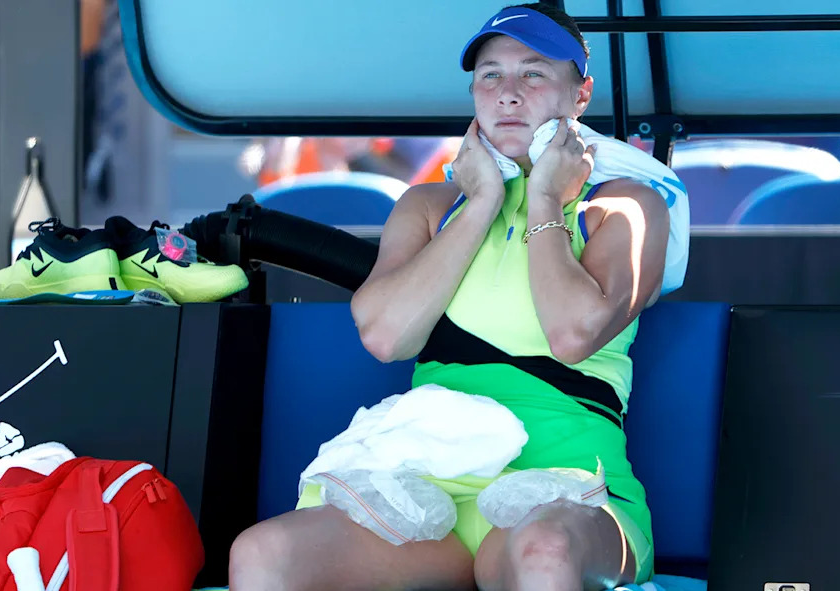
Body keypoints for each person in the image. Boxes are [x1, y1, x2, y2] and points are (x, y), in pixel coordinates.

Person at [228, 3, 671, 590]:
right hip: (428, 490)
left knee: (543, 553)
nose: (509, 93)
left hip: (565, 488)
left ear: (579, 95)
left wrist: (544, 199)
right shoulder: (429, 206)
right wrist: (482, 201)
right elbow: (386, 336)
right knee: (264, 553)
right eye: (491, 75)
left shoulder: (625, 205)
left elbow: (572, 334)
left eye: (534, 74)